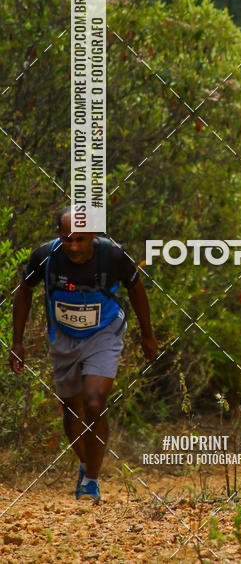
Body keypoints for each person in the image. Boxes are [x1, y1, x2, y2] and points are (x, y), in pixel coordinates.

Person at [9, 207, 158, 502]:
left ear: (93, 234)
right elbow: (24, 290)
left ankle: (91, 480)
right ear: (59, 235)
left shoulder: (113, 255)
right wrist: (17, 342)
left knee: (94, 401)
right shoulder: (45, 257)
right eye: (68, 239)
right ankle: (85, 462)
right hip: (63, 337)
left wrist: (147, 334)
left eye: (80, 239)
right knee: (70, 409)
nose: (74, 246)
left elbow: (136, 289)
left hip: (104, 332)